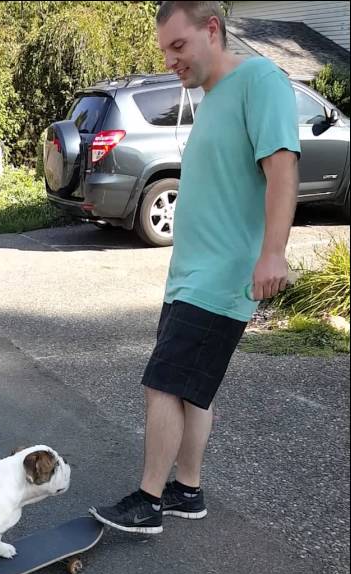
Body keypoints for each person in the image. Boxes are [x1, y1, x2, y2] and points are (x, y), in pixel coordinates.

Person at [90, 0, 300, 534]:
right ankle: (187, 489)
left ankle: (148, 501)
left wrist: (273, 253)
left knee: (162, 382)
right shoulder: (211, 98)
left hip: (221, 276)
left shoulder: (260, 80)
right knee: (190, 389)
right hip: (191, 274)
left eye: (178, 46)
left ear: (213, 29)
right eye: (165, 51)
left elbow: (282, 170)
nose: (171, 61)